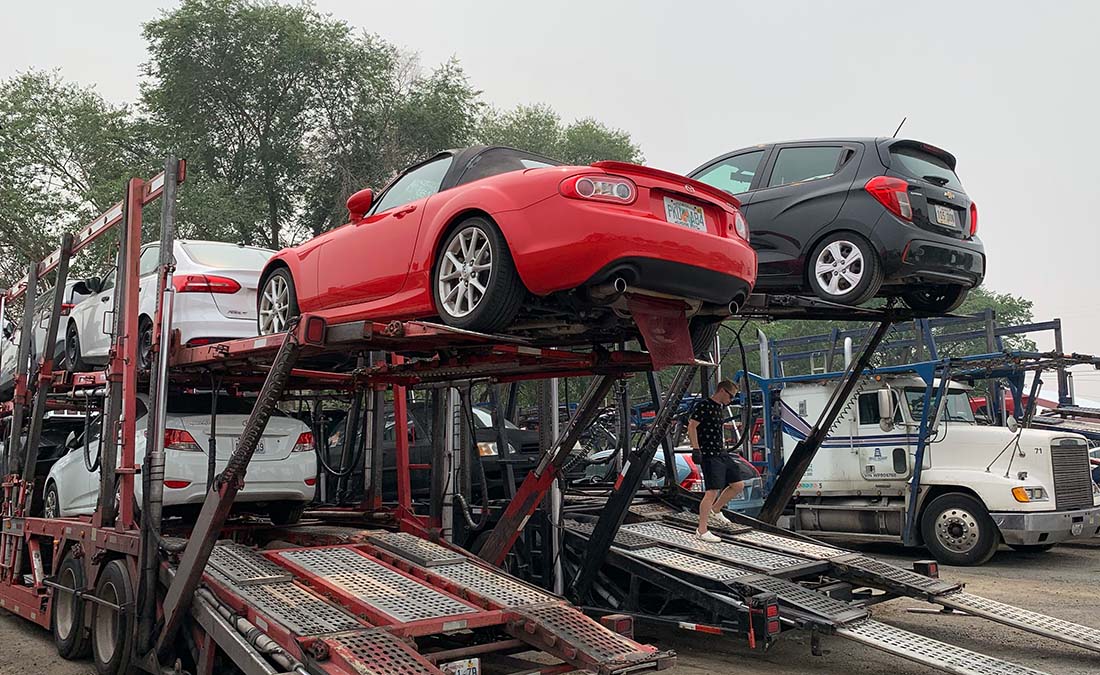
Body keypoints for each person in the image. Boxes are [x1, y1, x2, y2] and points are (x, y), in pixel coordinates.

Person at [687, 379, 744, 542]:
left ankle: (716, 509)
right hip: (709, 454)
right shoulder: (704, 405)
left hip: (721, 452)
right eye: (731, 396)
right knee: (712, 491)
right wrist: (696, 448)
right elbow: (692, 426)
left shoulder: (720, 408)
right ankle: (701, 530)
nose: (731, 400)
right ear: (722, 391)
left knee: (738, 485)